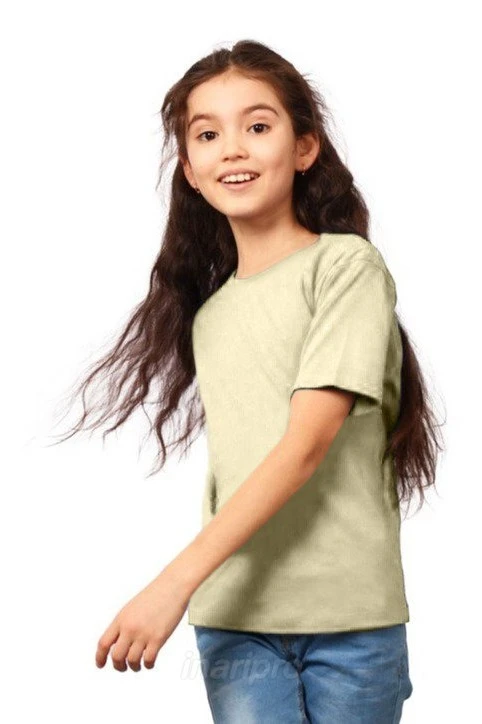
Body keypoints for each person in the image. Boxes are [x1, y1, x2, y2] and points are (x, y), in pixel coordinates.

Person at [52, 39, 444, 723]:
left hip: (350, 619)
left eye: (257, 126)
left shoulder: (345, 268)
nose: (232, 148)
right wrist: (196, 590)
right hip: (234, 618)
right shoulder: (209, 317)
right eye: (208, 135)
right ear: (190, 169)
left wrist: (170, 585)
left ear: (304, 147)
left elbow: (304, 445)